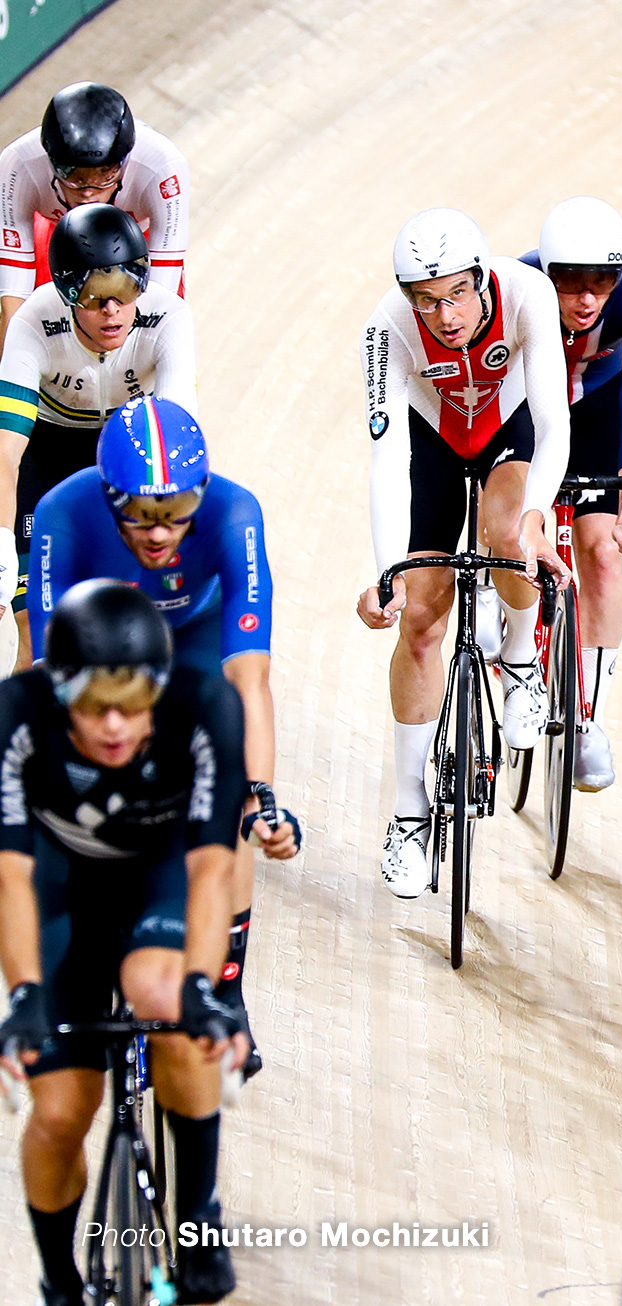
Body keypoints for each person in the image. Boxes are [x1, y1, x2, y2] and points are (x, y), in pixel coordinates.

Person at [28, 396, 299, 1078]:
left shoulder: (235, 513)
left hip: (199, 639)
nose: (159, 531)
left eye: (177, 510)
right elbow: (43, 666)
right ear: (107, 494)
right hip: (104, 639)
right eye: (140, 513)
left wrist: (259, 792)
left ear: (202, 492)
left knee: (232, 790)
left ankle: (226, 988)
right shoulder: (63, 512)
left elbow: (249, 678)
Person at [0, 582, 251, 1305]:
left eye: (132, 703)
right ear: (58, 690)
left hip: (158, 882)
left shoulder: (205, 709)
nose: (114, 725)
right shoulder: (17, 717)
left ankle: (198, 1219)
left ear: (160, 689)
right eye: (92, 705)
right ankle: (59, 1281)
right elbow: (11, 877)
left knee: (166, 1005)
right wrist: (20, 995)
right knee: (57, 1114)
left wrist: (205, 986)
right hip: (59, 894)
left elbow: (211, 870)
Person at [354, 208, 571, 898]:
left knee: (507, 534)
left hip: (507, 425)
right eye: (426, 300)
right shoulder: (385, 328)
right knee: (419, 620)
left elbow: (554, 419)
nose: (442, 315)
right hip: (432, 443)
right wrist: (389, 569)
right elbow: (387, 459)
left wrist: (537, 516)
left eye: (455, 294)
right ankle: (410, 815)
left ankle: (520, 658)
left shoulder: (528, 293)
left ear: (481, 277)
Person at [0, 203, 196, 669]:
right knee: (36, 627)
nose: (112, 311)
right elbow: (7, 452)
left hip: (130, 450)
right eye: (93, 298)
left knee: (133, 617)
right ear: (67, 294)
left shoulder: (169, 317)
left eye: (125, 292)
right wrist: (1, 543)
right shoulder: (32, 321)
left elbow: (176, 441)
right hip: (48, 450)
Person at [519, 197, 622, 791]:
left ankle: (590, 720)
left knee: (602, 551)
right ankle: (508, 651)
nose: (586, 299)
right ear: (547, 273)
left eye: (601, 282)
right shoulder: (516, 286)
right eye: (571, 283)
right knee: (511, 537)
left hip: (601, 417)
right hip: (528, 413)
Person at [0, 82, 189, 345]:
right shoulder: (17, 165)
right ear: (51, 162)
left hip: (135, 239)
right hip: (62, 231)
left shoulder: (162, 165)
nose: (88, 192)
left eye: (104, 174)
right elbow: (14, 303)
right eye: (74, 176)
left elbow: (160, 302)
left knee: (161, 328)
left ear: (125, 163)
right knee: (39, 320)